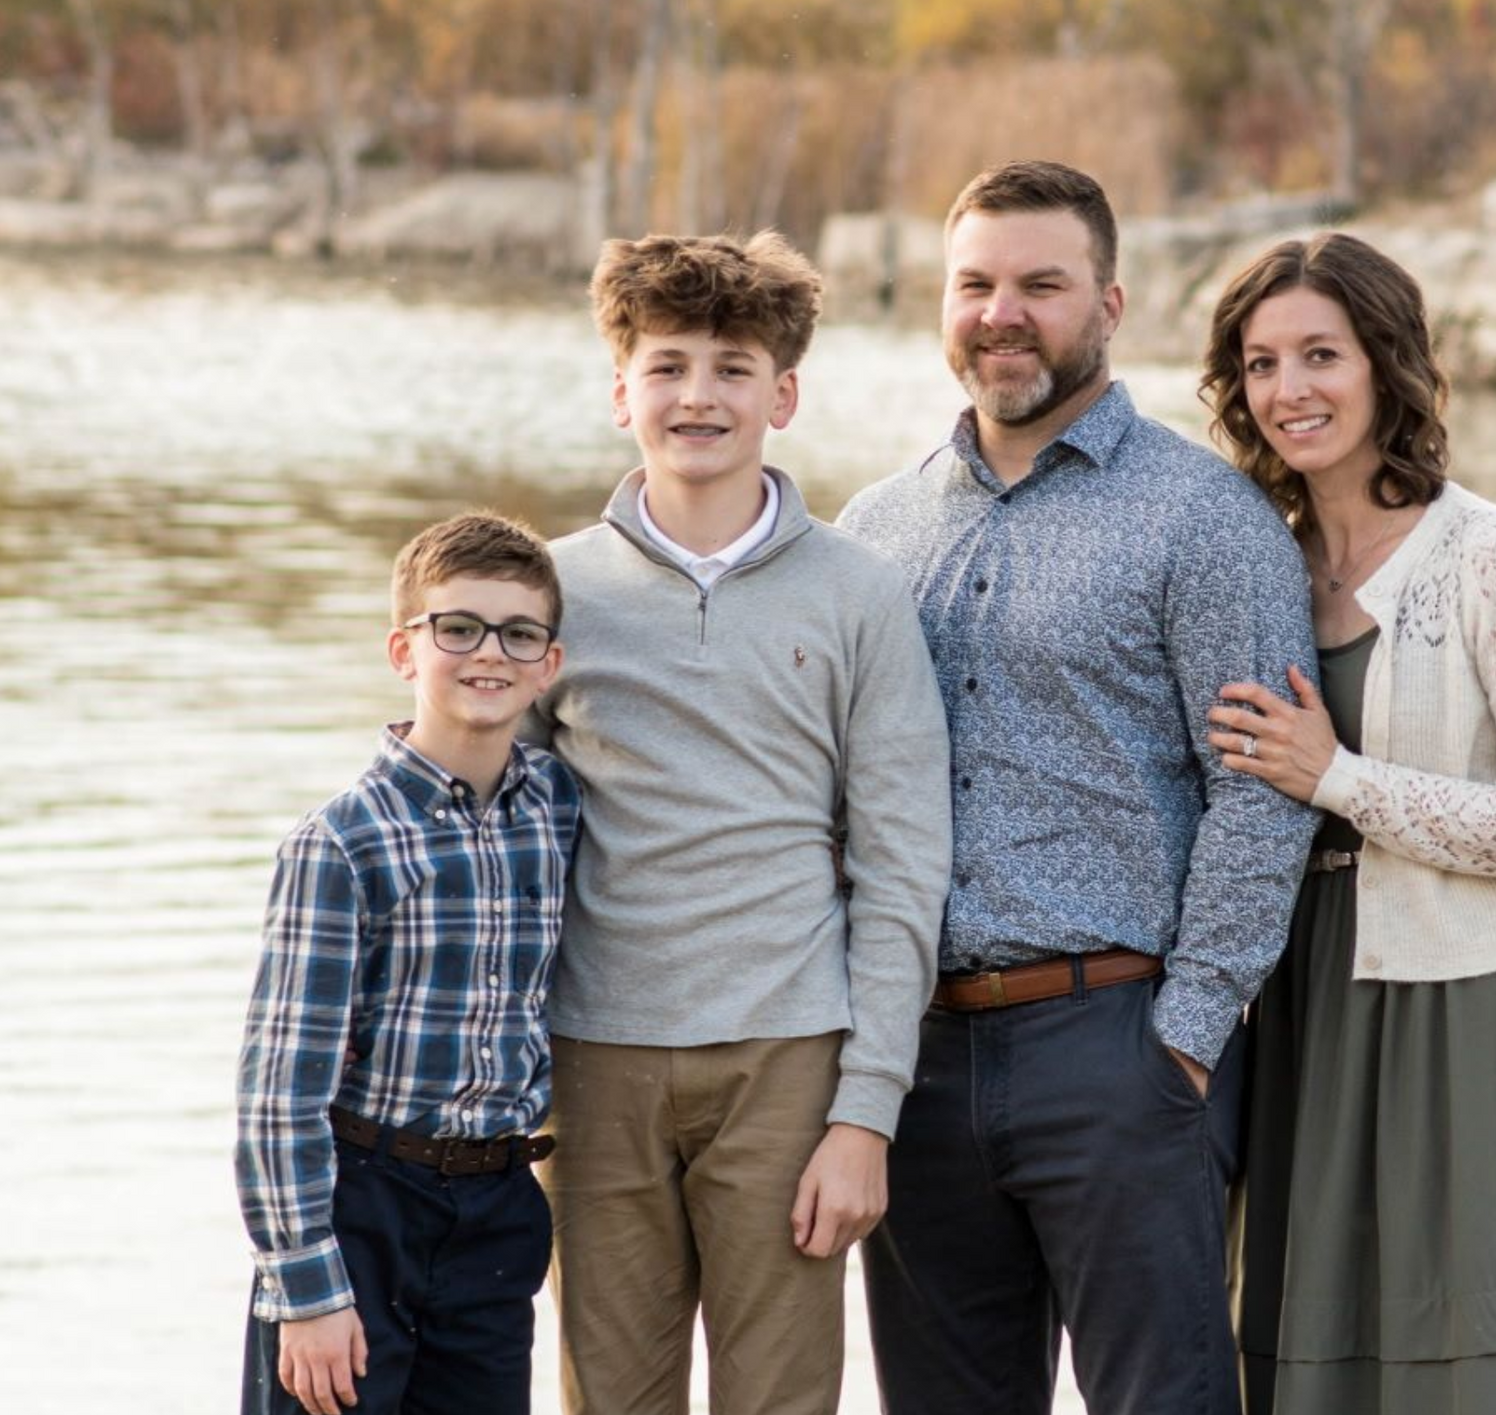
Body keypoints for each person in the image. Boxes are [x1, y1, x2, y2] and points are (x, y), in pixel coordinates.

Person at [837, 159, 1320, 1415]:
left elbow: (1263, 789)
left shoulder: (1206, 519)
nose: (1003, 313)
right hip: (920, 1056)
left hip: (1121, 1046)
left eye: (1041, 285)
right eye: (976, 283)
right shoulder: (874, 530)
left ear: (1109, 302)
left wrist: (1189, 1038)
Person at [524, 230, 952, 1415]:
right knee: (611, 1394)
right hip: (593, 1056)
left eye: (730, 366)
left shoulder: (861, 594)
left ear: (785, 394)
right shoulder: (550, 593)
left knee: (780, 1397)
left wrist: (866, 1110)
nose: (698, 395)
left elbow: (904, 866)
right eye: (666, 366)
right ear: (622, 393)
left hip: (788, 1058)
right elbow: (489, 837)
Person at [1200, 231, 1496, 1415]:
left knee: (1467, 1362)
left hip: (1461, 1010)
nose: (1291, 390)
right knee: (1299, 1355)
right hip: (1296, 1007)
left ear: (1386, 362)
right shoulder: (1257, 562)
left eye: (1321, 353)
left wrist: (1341, 778)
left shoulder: (1493, 552)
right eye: (1263, 361)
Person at [235, 511, 579, 1415]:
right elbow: (279, 1091)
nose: (487, 654)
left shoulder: (556, 806)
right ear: (404, 649)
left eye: (518, 633)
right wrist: (306, 1290)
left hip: (499, 1208)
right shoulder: (342, 844)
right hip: (363, 1206)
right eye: (456, 627)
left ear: (550, 664)